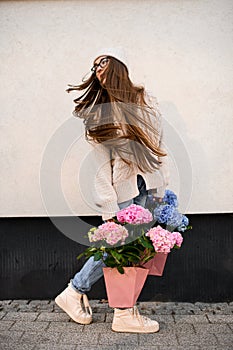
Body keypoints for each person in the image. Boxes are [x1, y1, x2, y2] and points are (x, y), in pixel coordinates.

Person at [55, 48, 170, 333]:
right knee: (120, 248)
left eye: (102, 63)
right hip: (124, 194)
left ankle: (76, 294)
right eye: (94, 68)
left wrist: (162, 187)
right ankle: (122, 313)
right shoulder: (99, 116)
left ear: (118, 67)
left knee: (132, 249)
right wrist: (107, 209)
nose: (97, 70)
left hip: (149, 187)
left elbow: (157, 148)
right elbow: (99, 168)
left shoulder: (145, 103)